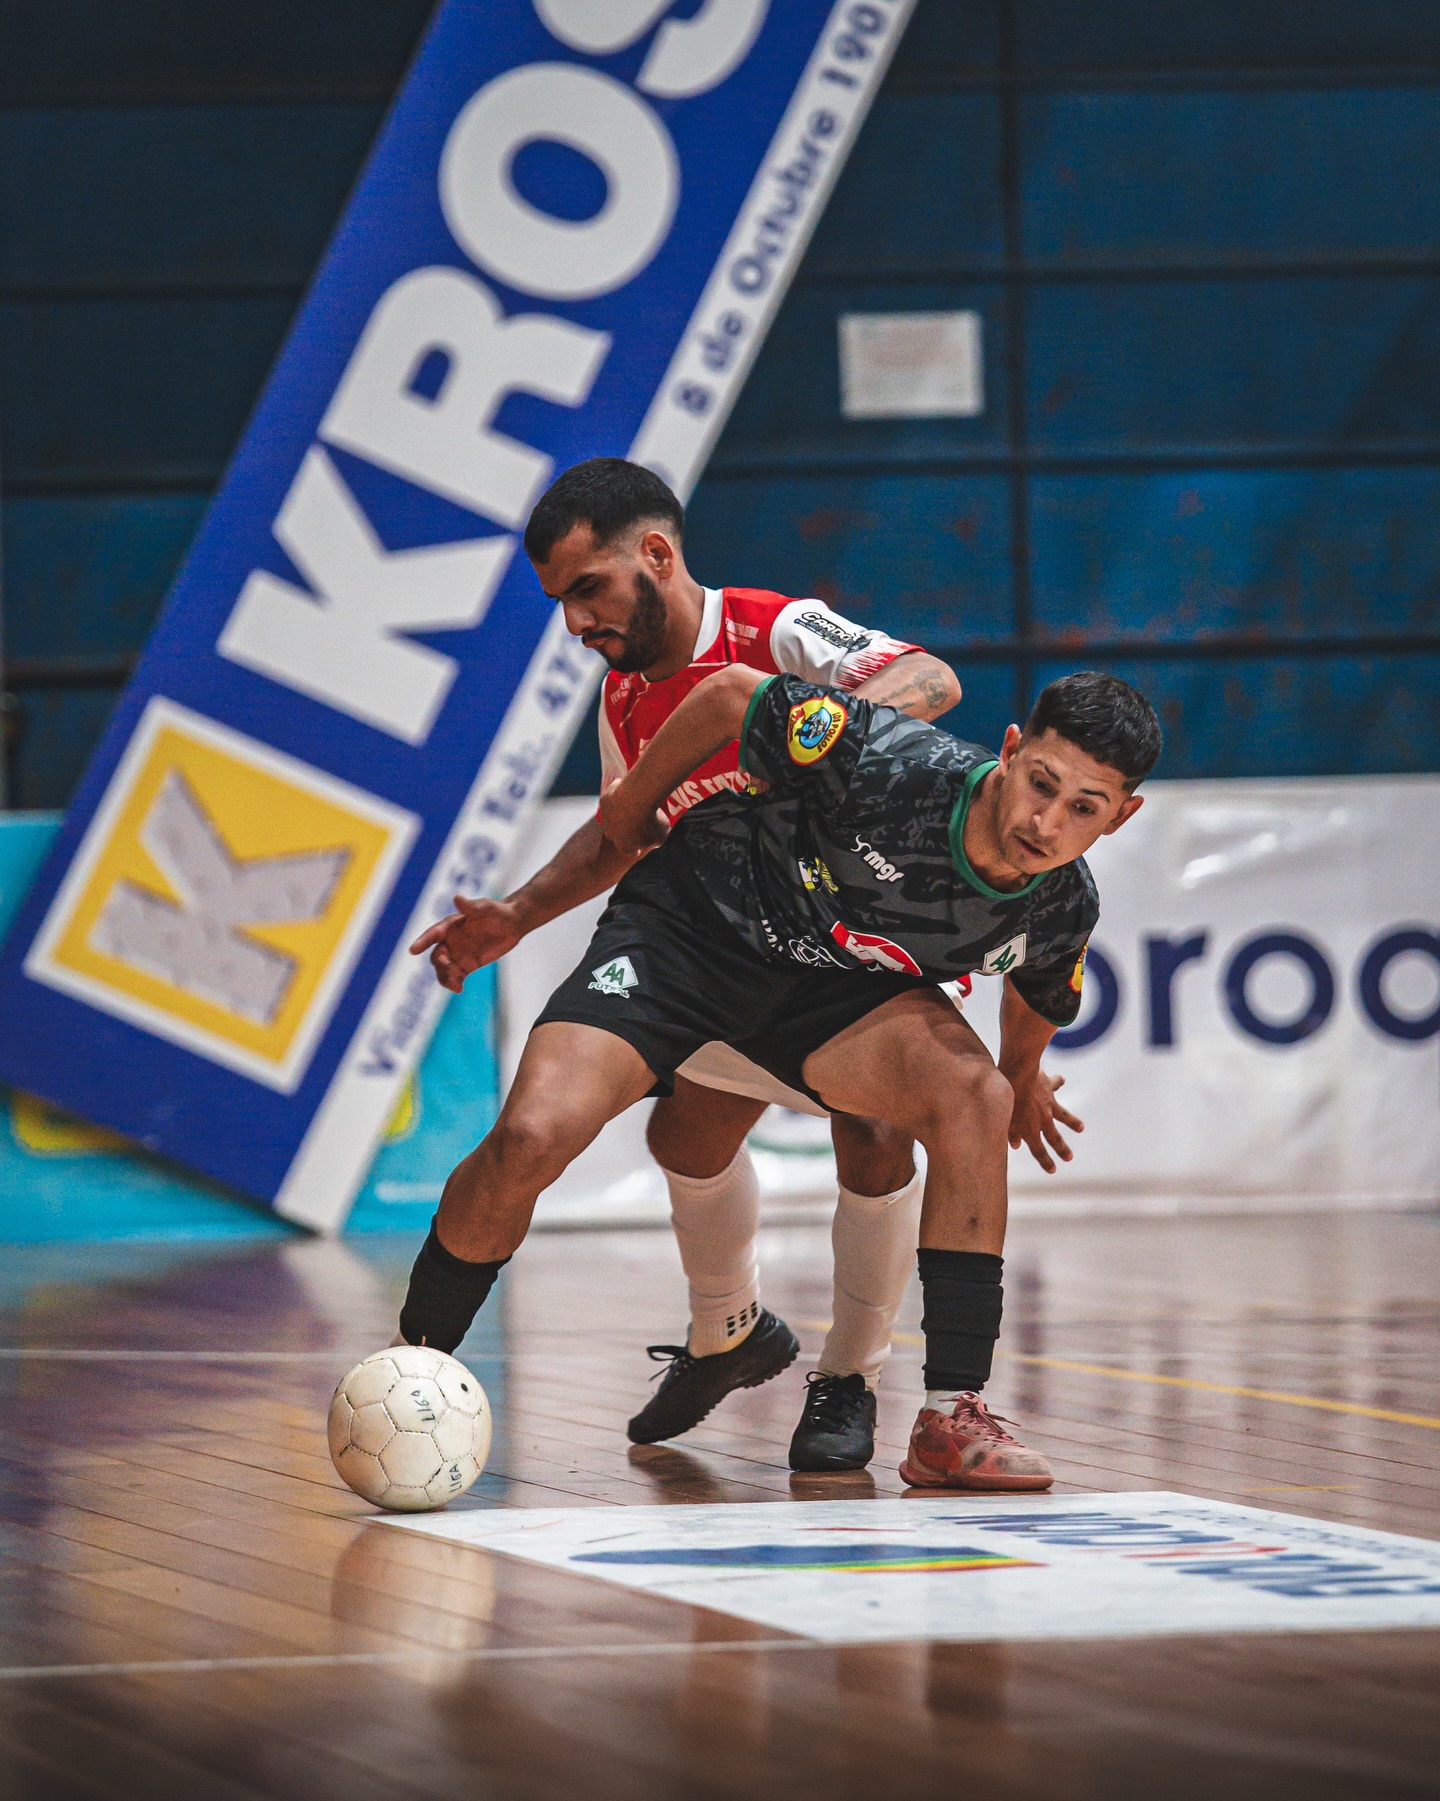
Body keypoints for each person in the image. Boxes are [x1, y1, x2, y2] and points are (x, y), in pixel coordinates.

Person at [399, 653, 1161, 1491]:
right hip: (690, 934)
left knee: (975, 1097)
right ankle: (412, 1366)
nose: (1046, 821)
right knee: (531, 1135)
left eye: (1083, 807)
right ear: (1011, 751)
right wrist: (632, 806)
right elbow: (730, 694)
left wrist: (1020, 1073)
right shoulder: (890, 759)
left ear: (1119, 817)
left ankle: (946, 1411)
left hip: (826, 993)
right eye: (1041, 783)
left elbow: (1039, 985)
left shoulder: (1062, 901)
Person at [410, 458, 962, 1472]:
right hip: (711, 937)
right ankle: (719, 1332)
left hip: (834, 926)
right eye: (560, 600)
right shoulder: (623, 699)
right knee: (660, 1131)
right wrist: (517, 915)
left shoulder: (774, 629)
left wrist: (803, 741)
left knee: (877, 1126)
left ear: (657, 555)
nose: (575, 622)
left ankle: (849, 1376)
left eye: (588, 589)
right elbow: (620, 836)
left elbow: (931, 681)